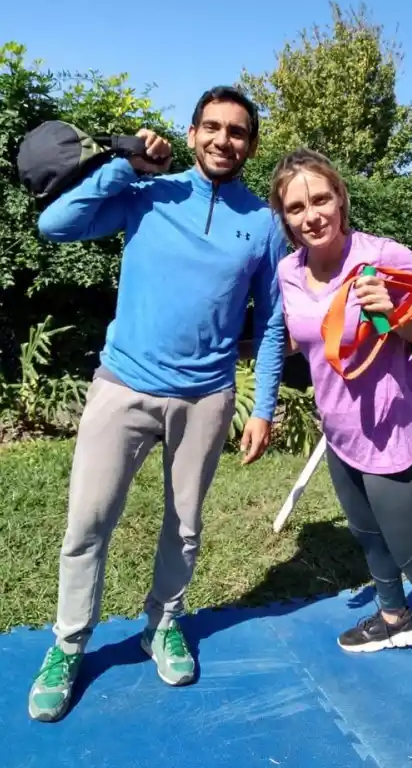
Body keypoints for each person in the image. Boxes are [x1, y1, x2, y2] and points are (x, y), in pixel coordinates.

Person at [28, 86, 288, 723]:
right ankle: (68, 645)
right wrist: (127, 166)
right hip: (123, 387)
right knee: (88, 522)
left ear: (250, 145)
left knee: (185, 526)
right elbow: (53, 225)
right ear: (194, 132)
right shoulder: (147, 197)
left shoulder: (261, 223)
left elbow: (275, 321)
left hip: (205, 397)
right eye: (213, 128)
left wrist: (262, 406)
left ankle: (162, 625)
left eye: (237, 132)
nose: (224, 140)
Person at [269, 148, 412, 747]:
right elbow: (303, 340)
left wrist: (397, 318)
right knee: (369, 538)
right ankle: (395, 619)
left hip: (395, 440)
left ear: (340, 198)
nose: (311, 215)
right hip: (341, 434)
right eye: (296, 207)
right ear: (284, 216)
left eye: (320, 199)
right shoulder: (289, 272)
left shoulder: (384, 258)